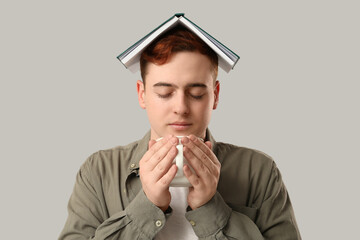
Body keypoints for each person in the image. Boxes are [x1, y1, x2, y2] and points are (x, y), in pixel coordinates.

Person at [59, 26, 301, 239]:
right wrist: (148, 205)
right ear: (142, 94)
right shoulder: (99, 171)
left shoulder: (259, 171)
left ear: (215, 95)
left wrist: (209, 207)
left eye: (196, 93)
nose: (181, 108)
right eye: (164, 93)